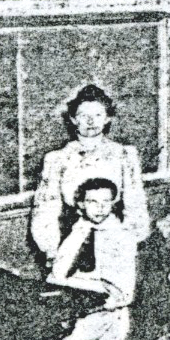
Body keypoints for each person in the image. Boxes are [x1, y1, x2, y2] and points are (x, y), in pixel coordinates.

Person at [31, 176, 138, 340]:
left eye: (106, 202)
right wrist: (88, 285)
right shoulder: (78, 231)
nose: (100, 208)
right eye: (92, 202)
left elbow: (123, 293)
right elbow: (57, 275)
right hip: (77, 311)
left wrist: (88, 286)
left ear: (114, 203)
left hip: (107, 318)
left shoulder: (122, 237)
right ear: (81, 204)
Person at [29, 84, 150, 263]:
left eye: (98, 115)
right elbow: (46, 207)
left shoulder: (124, 154)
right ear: (73, 119)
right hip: (72, 236)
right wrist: (51, 249)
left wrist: (132, 240)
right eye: (83, 116)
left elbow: (135, 200)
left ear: (107, 118)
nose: (91, 121)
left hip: (115, 235)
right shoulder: (57, 159)